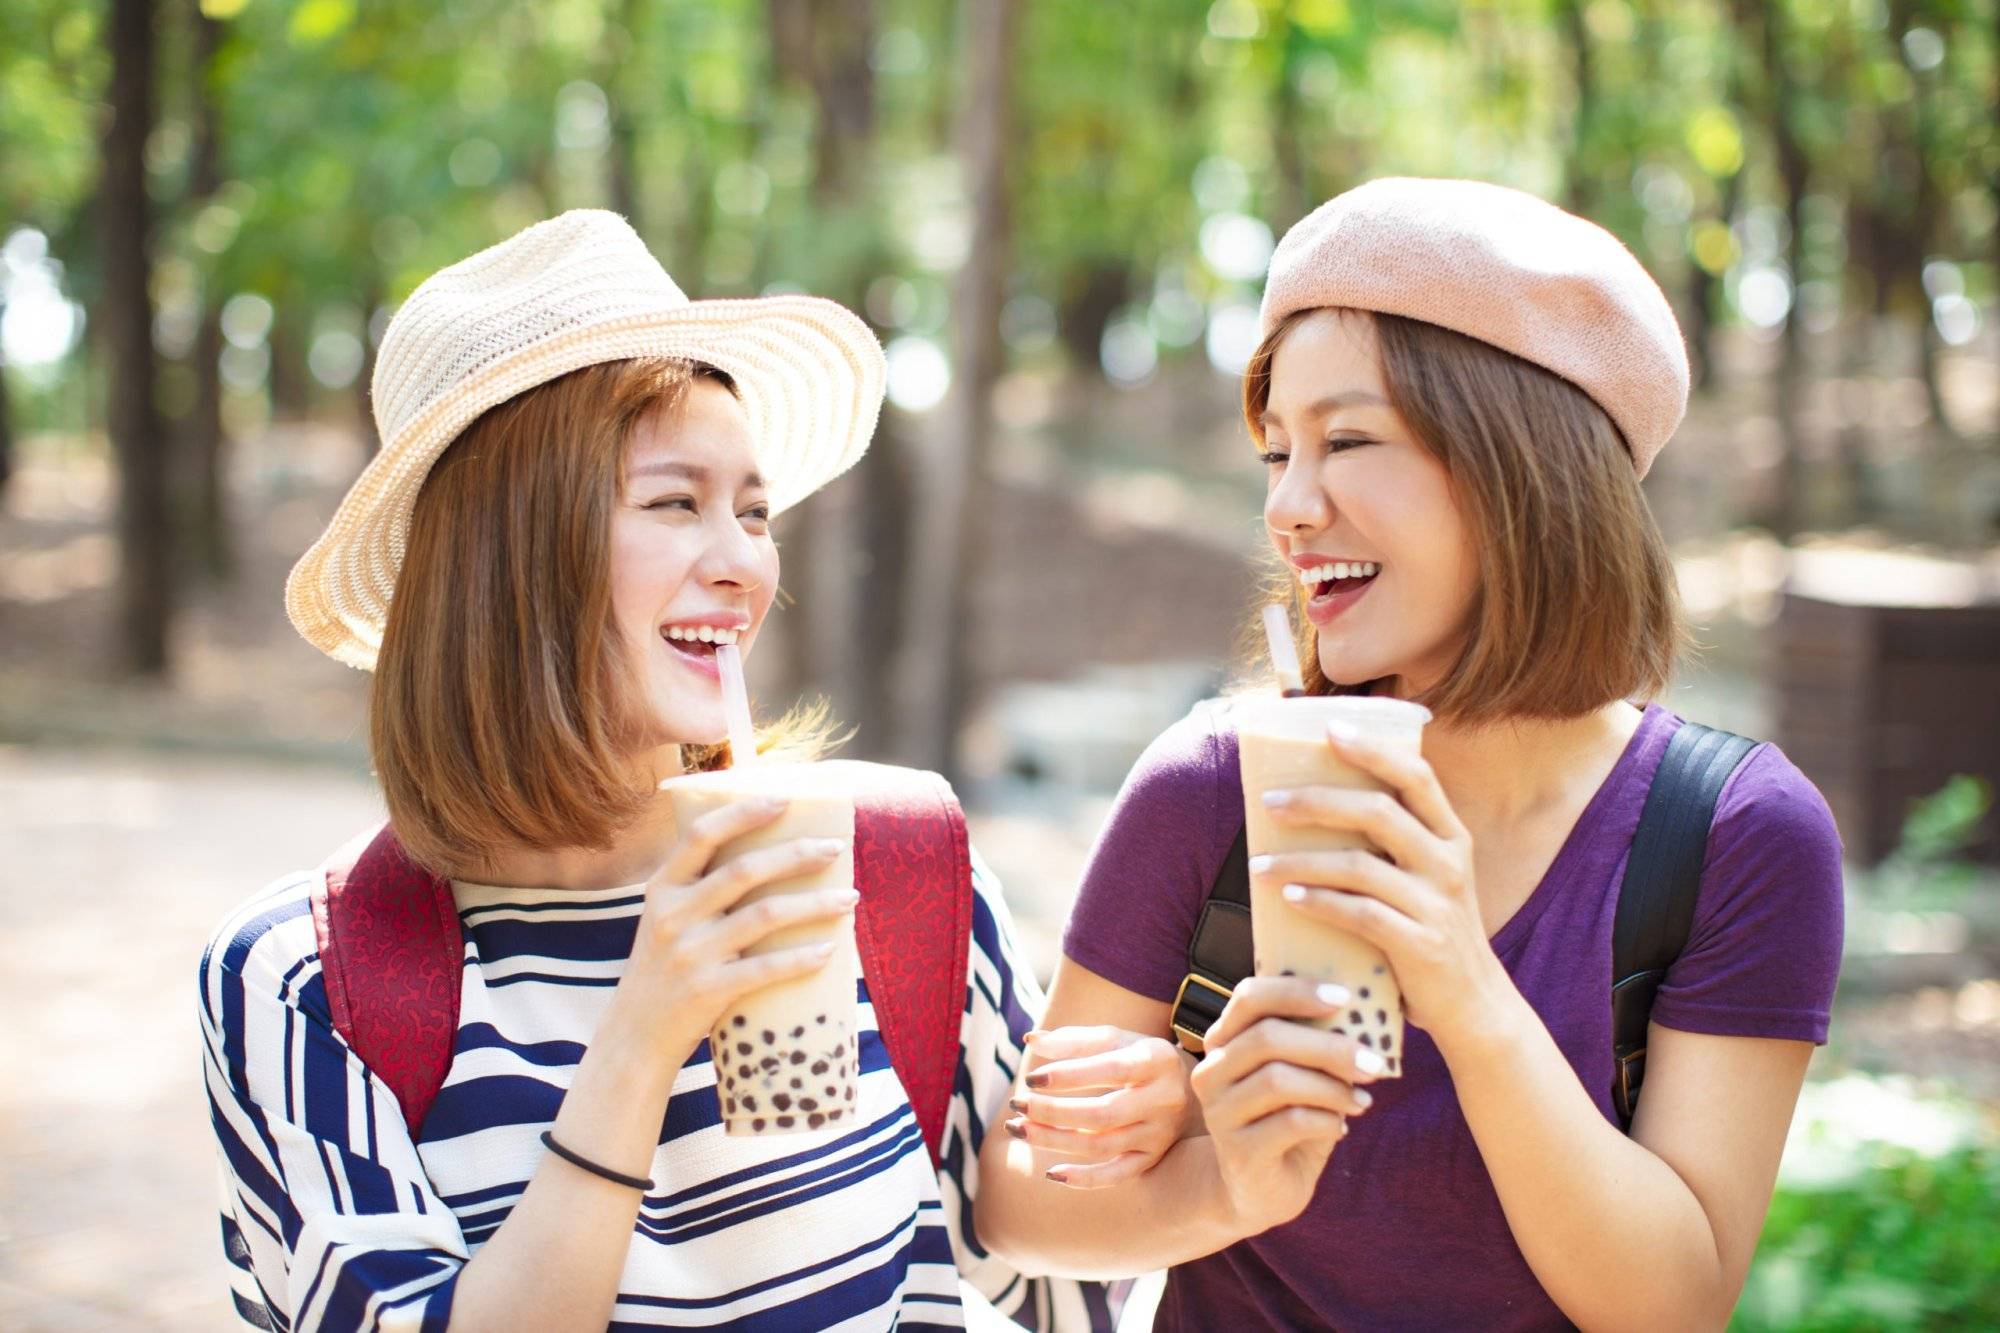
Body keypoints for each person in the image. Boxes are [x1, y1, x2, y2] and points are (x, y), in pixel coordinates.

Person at [198, 210, 1115, 1331]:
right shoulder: (309, 983)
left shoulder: (887, 867)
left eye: (753, 511)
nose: (743, 566)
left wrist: (1197, 1156)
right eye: (676, 503)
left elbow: (1050, 1286)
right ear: (508, 561)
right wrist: (642, 1034)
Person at [974, 178, 1845, 1330]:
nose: (1286, 506)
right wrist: (1215, 1173)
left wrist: (1463, 988)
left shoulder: (1732, 837)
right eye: (1274, 452)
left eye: (1345, 439)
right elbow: (1013, 1195)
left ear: (1521, 468)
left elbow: (1671, 1304)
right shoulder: (1212, 791)